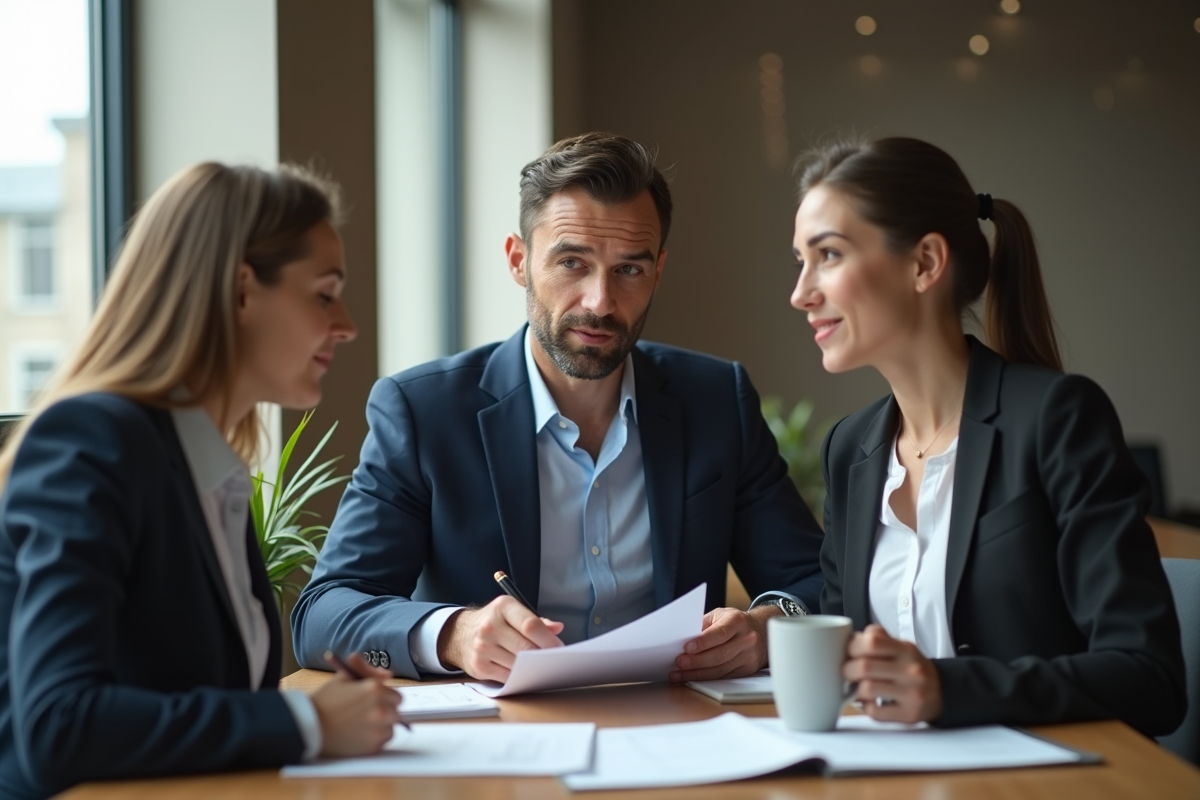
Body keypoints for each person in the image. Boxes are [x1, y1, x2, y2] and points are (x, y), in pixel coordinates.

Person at [292, 132, 824, 684]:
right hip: (502, 745)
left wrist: (766, 629)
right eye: (572, 262)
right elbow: (323, 615)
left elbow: (819, 581)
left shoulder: (716, 400)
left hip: (677, 731)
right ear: (518, 261)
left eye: (630, 270)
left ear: (658, 271)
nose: (600, 301)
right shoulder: (422, 411)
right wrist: (455, 635)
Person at [0, 163, 403, 800]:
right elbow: (59, 727)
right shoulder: (90, 441)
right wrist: (305, 719)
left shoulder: (207, 466)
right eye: (324, 293)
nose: (347, 323)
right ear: (241, 290)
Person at [789, 136, 1185, 736]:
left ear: (924, 263)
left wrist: (947, 688)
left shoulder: (1057, 418)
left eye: (830, 256)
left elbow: (1149, 678)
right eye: (801, 260)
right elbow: (848, 657)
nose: (802, 293)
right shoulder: (851, 448)